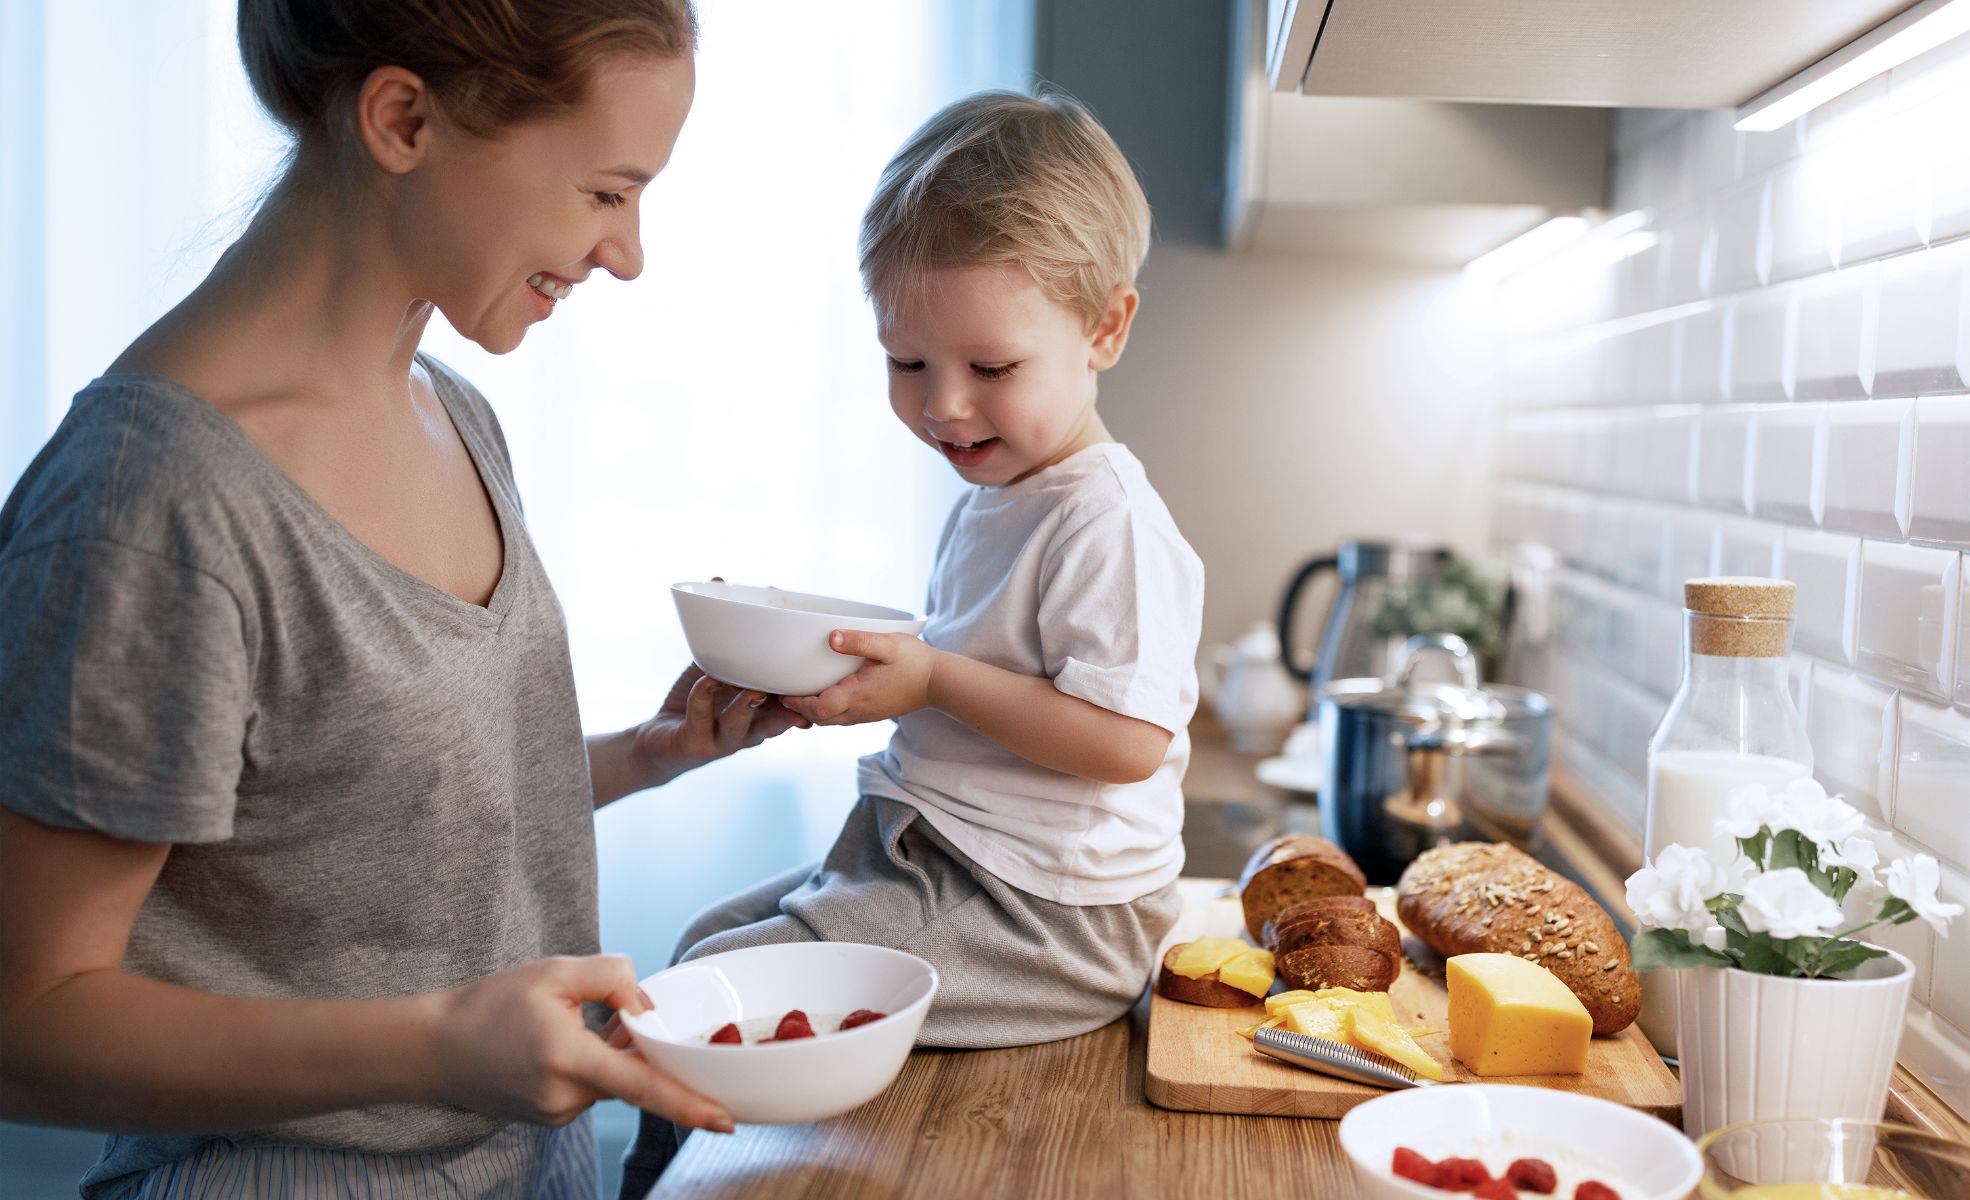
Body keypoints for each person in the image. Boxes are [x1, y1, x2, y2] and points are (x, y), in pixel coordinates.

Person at [0, 2, 807, 1196]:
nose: (628, 253)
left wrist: (646, 753)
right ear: (403, 119)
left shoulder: (453, 412)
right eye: (604, 193)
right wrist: (438, 1047)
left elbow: (355, 830)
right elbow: (28, 1026)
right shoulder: (151, 502)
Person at [620, 87, 1204, 1192]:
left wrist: (929, 678)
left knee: (705, 999)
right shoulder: (1001, 492)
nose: (943, 406)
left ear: (1105, 330)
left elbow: (1129, 742)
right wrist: (867, 679)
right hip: (943, 859)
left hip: (1046, 917)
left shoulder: (1105, 518)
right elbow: (975, 683)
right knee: (700, 947)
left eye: (989, 369)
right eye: (907, 363)